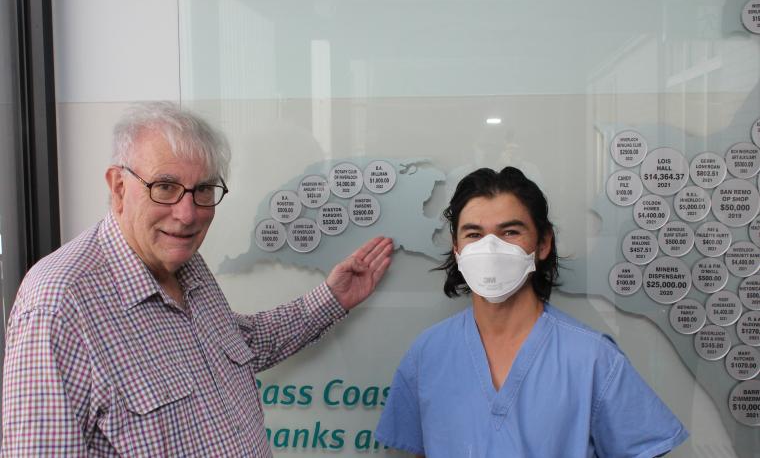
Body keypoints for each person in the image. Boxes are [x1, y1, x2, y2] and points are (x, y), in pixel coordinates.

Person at [2, 102, 393, 457]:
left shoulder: (184, 264)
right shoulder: (58, 305)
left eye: (203, 190)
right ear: (119, 188)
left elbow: (238, 347)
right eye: (165, 187)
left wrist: (332, 297)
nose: (188, 214)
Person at [375, 166, 688, 457]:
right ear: (457, 248)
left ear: (543, 243)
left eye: (510, 232)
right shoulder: (428, 354)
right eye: (473, 234)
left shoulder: (592, 359)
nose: (491, 248)